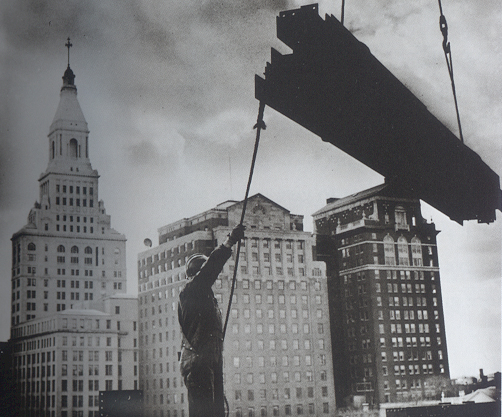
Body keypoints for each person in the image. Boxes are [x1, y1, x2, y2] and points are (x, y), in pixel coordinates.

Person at [178, 224, 245, 417]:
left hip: (208, 362)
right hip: (199, 364)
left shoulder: (204, 296)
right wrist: (229, 242)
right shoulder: (191, 290)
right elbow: (210, 269)